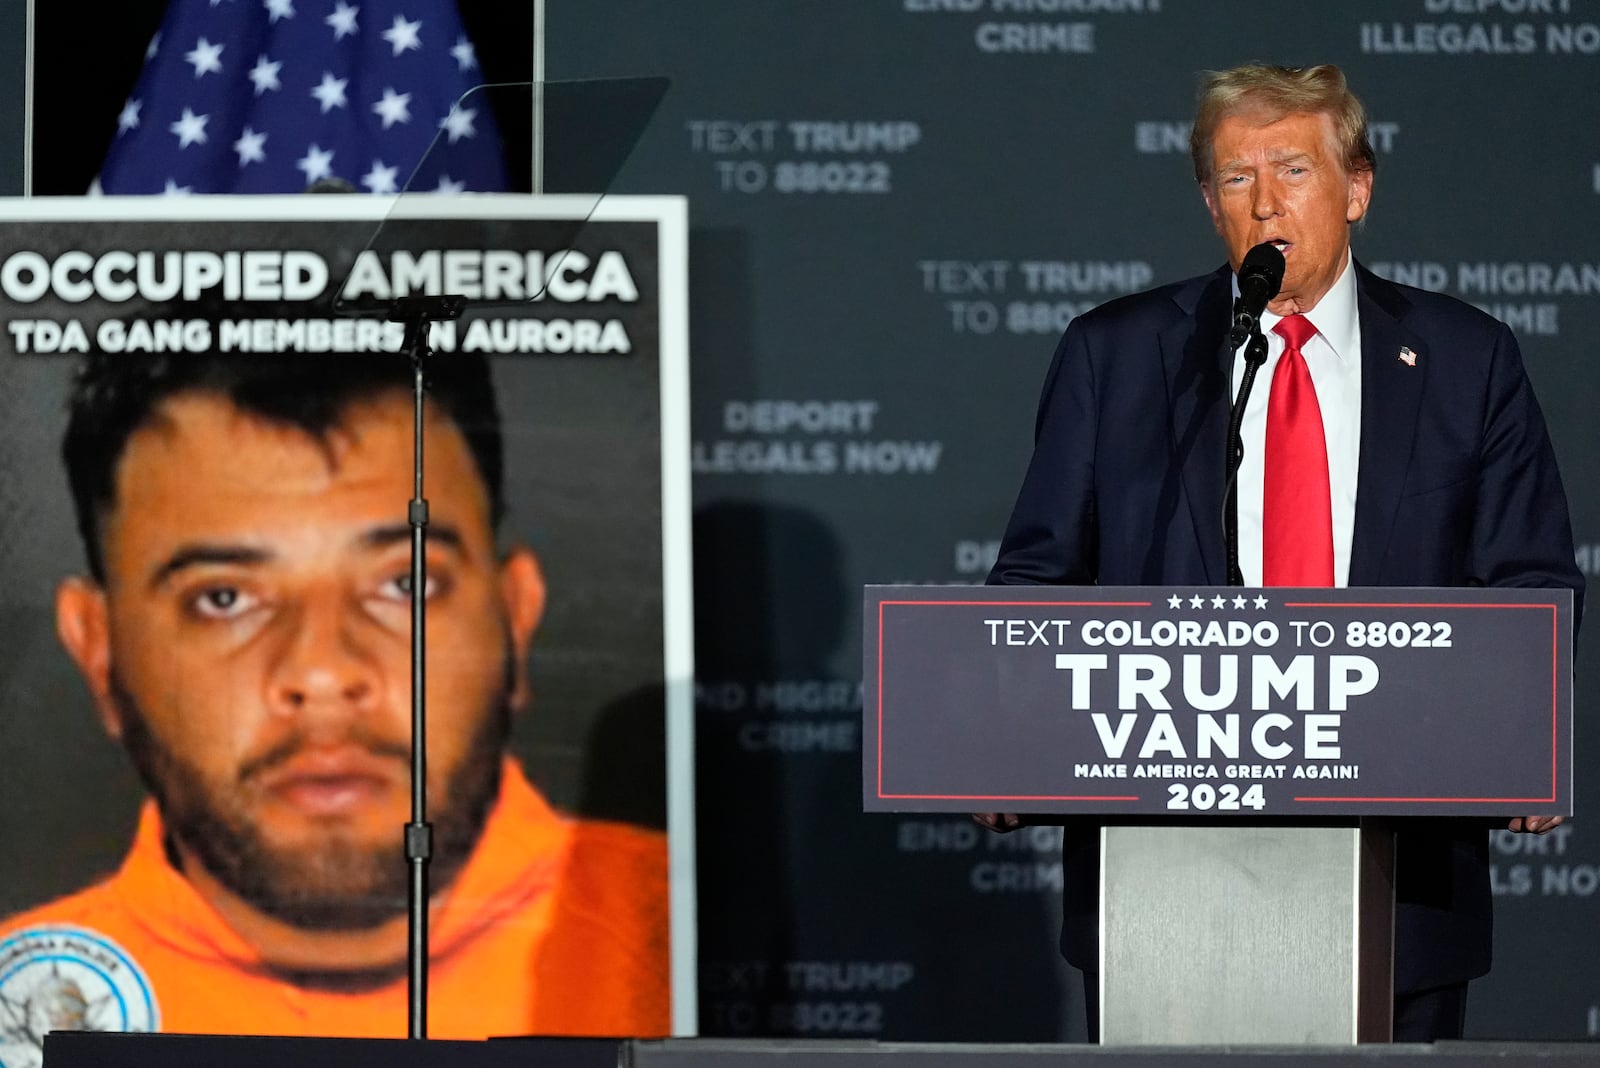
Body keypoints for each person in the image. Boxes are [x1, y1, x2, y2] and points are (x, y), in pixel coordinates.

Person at [978, 63, 1583, 1042]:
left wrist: (1523, 739)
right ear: (1207, 203)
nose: (1262, 201)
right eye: (1232, 177)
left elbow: (1528, 575)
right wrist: (1004, 742)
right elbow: (1040, 574)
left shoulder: (1465, 358)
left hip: (1401, 866)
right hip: (1160, 859)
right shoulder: (1117, 355)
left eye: (1292, 169)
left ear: (1356, 188)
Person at [0, 352, 669, 1047]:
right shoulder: (23, 993)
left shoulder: (706, 943)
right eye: (223, 598)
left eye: (405, 584)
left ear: (516, 619)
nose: (322, 674)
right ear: (99, 653)